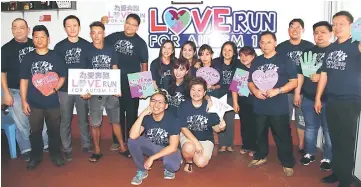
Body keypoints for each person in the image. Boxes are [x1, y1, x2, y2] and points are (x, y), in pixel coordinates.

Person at [314, 11, 361, 187]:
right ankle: (337, 172)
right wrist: (318, 97)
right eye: (335, 24)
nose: (337, 27)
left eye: (342, 23)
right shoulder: (332, 48)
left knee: (346, 141)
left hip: (350, 101)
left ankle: (346, 179)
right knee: (334, 139)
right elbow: (324, 74)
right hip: (331, 100)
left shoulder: (356, 45)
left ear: (351, 26)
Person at [248, 31, 297, 177]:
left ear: (275, 43)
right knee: (259, 134)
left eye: (268, 42)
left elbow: (294, 81)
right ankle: (261, 156)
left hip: (278, 107)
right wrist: (255, 91)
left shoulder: (284, 60)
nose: (265, 45)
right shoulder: (256, 61)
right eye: (262, 42)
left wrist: (279, 90)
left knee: (282, 136)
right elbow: (250, 81)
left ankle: (287, 163)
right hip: (259, 105)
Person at [1, 18, 49, 161]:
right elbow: (2, 72)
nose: (18, 30)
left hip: (37, 90)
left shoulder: (36, 44)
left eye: (22, 27)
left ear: (28, 29)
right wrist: (6, 94)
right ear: (11, 30)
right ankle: (26, 148)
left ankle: (45, 144)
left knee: (44, 119)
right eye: (15, 27)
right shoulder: (5, 49)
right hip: (14, 91)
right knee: (21, 123)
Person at [20, 25, 66, 170]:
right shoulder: (28, 58)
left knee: (54, 130)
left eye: (42, 37)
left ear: (48, 39)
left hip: (53, 102)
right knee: (35, 132)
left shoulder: (55, 56)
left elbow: (63, 76)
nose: (39, 40)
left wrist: (54, 89)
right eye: (36, 37)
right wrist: (23, 101)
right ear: (32, 38)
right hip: (34, 103)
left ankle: (56, 155)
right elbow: (24, 80)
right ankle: (36, 157)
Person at [101, 14, 148, 151]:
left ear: (137, 27)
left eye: (133, 24)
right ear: (124, 23)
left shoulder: (140, 42)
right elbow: (99, 39)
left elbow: (144, 64)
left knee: (132, 112)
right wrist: (102, 22)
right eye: (128, 23)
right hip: (115, 80)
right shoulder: (114, 37)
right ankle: (117, 140)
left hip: (133, 80)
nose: (129, 26)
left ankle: (132, 140)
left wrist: (143, 87)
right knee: (117, 112)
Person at [84, 21, 127, 162]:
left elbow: (114, 67)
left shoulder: (110, 49)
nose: (96, 36)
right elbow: (83, 72)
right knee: (95, 123)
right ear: (90, 34)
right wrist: (85, 90)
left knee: (116, 121)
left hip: (110, 91)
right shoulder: (87, 51)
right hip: (94, 92)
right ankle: (97, 150)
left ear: (104, 34)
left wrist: (117, 87)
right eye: (93, 33)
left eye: (99, 32)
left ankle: (122, 147)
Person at [53, 15, 92, 162]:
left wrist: (88, 88)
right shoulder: (59, 47)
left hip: (82, 89)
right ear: (64, 28)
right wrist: (56, 89)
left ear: (79, 27)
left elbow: (90, 69)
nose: (72, 28)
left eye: (75, 25)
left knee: (83, 118)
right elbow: (55, 70)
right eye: (68, 26)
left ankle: (86, 144)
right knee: (65, 120)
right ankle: (67, 148)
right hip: (64, 90)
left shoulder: (87, 45)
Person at [295, 21, 332, 171]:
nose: (319, 35)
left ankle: (328, 157)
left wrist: (322, 76)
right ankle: (309, 153)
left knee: (328, 131)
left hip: (329, 99)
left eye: (323, 32)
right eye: (316, 32)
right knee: (310, 127)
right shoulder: (307, 52)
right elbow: (300, 74)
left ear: (330, 33)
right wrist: (298, 92)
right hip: (309, 97)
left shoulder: (335, 51)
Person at [276, 18, 314, 154]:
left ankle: (301, 146)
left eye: (298, 27)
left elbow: (311, 70)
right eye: (292, 27)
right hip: (284, 91)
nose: (295, 30)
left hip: (304, 91)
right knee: (283, 120)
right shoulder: (280, 48)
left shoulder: (310, 47)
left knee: (301, 120)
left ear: (303, 30)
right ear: (288, 30)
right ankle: (285, 145)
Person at [128, 91, 182, 185]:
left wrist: (152, 158)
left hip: (168, 150)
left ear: (166, 106)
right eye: (153, 101)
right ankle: (141, 170)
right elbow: (132, 136)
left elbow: (173, 147)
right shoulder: (146, 118)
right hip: (152, 147)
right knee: (132, 141)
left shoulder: (173, 120)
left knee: (173, 166)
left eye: (160, 102)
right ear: (149, 103)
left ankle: (168, 168)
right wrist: (142, 114)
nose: (156, 104)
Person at [179, 77, 226, 173]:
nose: (196, 93)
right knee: (189, 147)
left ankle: (193, 154)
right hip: (188, 138)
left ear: (204, 93)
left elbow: (216, 129)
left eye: (199, 90)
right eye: (193, 89)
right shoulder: (184, 105)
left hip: (206, 139)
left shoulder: (210, 107)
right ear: (190, 90)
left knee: (201, 163)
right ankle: (188, 161)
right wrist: (197, 143)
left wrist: (221, 127)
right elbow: (183, 128)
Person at [232, 46, 257, 157]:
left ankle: (255, 147)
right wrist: (235, 103)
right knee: (245, 124)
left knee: (256, 125)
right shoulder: (240, 69)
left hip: (257, 102)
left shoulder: (258, 68)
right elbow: (235, 89)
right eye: (241, 55)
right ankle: (246, 145)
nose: (243, 57)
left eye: (246, 55)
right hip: (243, 102)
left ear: (253, 56)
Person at [213, 41, 237, 153]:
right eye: (224, 49)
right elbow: (205, 67)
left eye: (230, 50)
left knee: (230, 121)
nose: (226, 52)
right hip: (218, 96)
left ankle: (229, 144)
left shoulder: (237, 64)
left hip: (232, 96)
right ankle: (222, 144)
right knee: (220, 120)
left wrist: (236, 102)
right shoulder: (216, 62)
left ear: (233, 52)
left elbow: (238, 84)